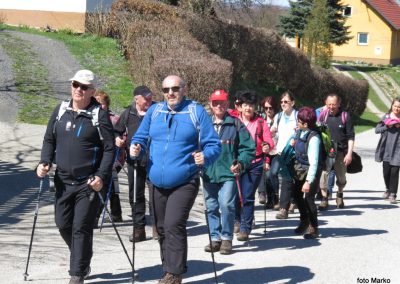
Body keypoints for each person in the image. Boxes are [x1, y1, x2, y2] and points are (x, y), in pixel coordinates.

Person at [130, 75, 221, 283]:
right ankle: (167, 269)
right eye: (165, 90)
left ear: (184, 89)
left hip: (184, 180)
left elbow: (214, 144)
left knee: (173, 224)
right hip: (156, 182)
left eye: (175, 88)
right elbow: (141, 136)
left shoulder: (195, 111)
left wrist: (205, 156)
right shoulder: (155, 111)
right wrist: (136, 146)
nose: (170, 93)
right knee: (161, 228)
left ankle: (174, 274)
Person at [36, 70, 115, 284]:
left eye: (84, 86)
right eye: (76, 84)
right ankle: (82, 256)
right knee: (63, 224)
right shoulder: (60, 110)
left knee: (81, 227)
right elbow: (49, 140)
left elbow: (109, 149)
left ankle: (77, 274)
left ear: (92, 91)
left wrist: (101, 175)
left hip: (87, 183)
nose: (78, 89)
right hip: (62, 181)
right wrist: (44, 162)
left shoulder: (99, 115)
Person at [203, 90, 255, 255]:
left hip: (228, 172)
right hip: (208, 173)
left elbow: (248, 148)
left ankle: (226, 238)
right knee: (211, 207)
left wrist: (240, 163)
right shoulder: (203, 124)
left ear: (228, 104)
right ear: (211, 104)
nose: (219, 105)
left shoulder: (236, 124)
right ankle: (215, 238)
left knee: (226, 204)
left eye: (222, 103)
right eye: (215, 102)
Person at [114, 85, 156, 242]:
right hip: (135, 161)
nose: (149, 100)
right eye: (145, 98)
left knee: (156, 194)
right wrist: (118, 139)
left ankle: (157, 227)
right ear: (136, 99)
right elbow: (116, 130)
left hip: (155, 159)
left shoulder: (157, 110)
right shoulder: (128, 113)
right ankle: (139, 229)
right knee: (135, 194)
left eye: (150, 97)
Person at [235, 90, 274, 241]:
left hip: (256, 163)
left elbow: (269, 141)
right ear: (240, 106)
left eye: (251, 105)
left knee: (248, 196)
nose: (248, 108)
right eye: (245, 105)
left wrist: (266, 147)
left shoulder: (260, 122)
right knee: (235, 195)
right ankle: (237, 220)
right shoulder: (234, 121)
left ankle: (245, 227)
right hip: (237, 163)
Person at [289, 107, 323, 239]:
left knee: (309, 199)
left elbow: (314, 163)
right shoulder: (300, 132)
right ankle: (304, 220)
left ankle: (314, 228)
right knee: (297, 195)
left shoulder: (314, 139)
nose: (297, 123)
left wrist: (308, 182)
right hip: (300, 169)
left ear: (306, 124)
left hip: (312, 171)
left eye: (299, 121)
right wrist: (294, 143)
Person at [318, 94, 355, 210]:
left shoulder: (345, 116)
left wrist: (349, 154)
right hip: (326, 152)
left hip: (340, 152)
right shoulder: (323, 116)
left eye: (334, 104)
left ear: (339, 104)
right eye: (329, 104)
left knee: (341, 177)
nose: (331, 107)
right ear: (326, 103)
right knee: (323, 176)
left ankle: (339, 195)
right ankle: (324, 199)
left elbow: (351, 137)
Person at [94, 90, 124, 224]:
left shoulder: (114, 119)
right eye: (97, 104)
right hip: (98, 159)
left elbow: (124, 137)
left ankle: (94, 218)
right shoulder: (92, 118)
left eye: (102, 104)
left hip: (115, 158)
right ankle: (117, 214)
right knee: (111, 185)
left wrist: (119, 139)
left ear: (107, 104)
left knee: (104, 185)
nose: (100, 107)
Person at [270, 91, 298, 219]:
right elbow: (274, 133)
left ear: (292, 103)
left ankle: (283, 208)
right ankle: (292, 201)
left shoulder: (297, 116)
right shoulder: (278, 117)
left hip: (293, 153)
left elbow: (303, 132)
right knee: (276, 174)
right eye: (281, 102)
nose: (283, 104)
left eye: (286, 101)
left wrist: (296, 139)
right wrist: (271, 132)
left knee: (288, 180)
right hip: (280, 152)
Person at [375, 97, 400, 204]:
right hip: (386, 149)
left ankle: (393, 194)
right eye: (395, 106)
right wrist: (387, 126)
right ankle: (388, 189)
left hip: (398, 149)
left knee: (395, 171)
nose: (397, 108)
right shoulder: (386, 117)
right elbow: (377, 130)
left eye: (399, 107)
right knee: (386, 172)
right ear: (392, 106)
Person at [257, 96, 279, 208]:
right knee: (266, 173)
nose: (268, 110)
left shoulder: (279, 119)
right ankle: (270, 199)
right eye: (266, 108)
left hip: (276, 151)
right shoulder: (261, 120)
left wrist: (276, 133)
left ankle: (276, 197)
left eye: (270, 108)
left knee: (273, 173)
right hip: (265, 152)